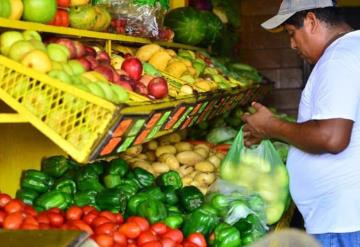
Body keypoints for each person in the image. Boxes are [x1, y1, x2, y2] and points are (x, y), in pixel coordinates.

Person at [241, 0, 360, 246]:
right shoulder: (352, 50)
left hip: (342, 224)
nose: (292, 44)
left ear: (312, 21)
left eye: (292, 33)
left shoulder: (337, 59)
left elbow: (332, 137)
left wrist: (271, 125)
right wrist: (272, 131)